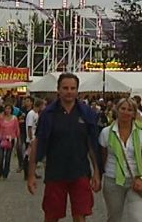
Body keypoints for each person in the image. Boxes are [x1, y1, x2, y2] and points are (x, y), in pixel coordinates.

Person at [27, 73, 102, 222]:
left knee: (80, 215)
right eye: (65, 88)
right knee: (51, 215)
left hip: (80, 171)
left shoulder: (86, 113)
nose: (69, 91)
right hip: (55, 171)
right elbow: (38, 143)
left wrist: (97, 172)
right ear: (58, 90)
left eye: (73, 88)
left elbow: (92, 144)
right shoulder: (48, 114)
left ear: (77, 91)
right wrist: (31, 173)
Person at [99, 98, 142, 222]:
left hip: (136, 179)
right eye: (123, 108)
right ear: (117, 110)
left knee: (137, 218)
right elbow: (103, 156)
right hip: (113, 180)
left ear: (134, 113)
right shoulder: (106, 132)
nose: (126, 112)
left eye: (130, 110)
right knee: (114, 218)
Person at [0, 104, 20, 180]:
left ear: (12, 110)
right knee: (1, 157)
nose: (8, 110)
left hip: (10, 139)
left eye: (9, 109)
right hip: (1, 139)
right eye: (6, 108)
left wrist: (18, 139)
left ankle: (5, 174)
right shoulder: (1, 118)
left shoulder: (14, 119)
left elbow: (17, 129)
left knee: (8, 157)